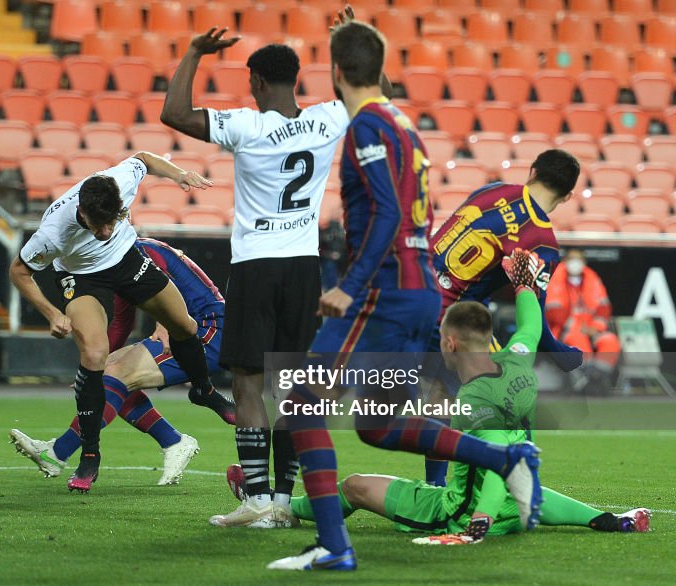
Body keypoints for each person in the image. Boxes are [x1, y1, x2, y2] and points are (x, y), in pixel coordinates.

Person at [269, 20, 543, 572]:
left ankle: (334, 547)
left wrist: (350, 286)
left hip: (384, 291)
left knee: (300, 403)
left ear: (336, 71)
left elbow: (389, 214)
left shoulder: (366, 129)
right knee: (377, 425)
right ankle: (505, 457)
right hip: (420, 291)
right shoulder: (401, 125)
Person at [233, 249, 651, 539]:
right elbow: (528, 327)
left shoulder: (473, 403)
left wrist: (481, 519)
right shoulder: (517, 360)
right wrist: (525, 286)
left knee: (354, 487)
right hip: (517, 509)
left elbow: (501, 463)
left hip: (461, 512)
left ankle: (278, 507)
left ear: (448, 344)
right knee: (514, 482)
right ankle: (606, 520)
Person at [160, 26, 353, 528]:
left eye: (251, 81)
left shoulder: (247, 126)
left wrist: (195, 51)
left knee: (248, 384)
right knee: (291, 387)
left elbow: (174, 114)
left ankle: (257, 500)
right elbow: (378, 96)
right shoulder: (329, 119)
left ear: (260, 81)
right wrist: (350, 42)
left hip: (256, 266)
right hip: (304, 268)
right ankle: (284, 504)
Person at [8, 153, 232, 493]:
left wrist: (178, 174)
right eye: (99, 226)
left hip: (127, 262)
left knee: (185, 327)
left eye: (113, 221)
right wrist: (52, 313)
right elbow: (19, 271)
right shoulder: (54, 232)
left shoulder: (120, 181)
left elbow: (143, 157)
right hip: (82, 278)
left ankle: (204, 391)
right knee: (96, 357)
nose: (107, 230)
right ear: (82, 213)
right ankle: (90, 455)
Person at [423, 148, 584, 486]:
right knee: (511, 393)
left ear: (533, 170)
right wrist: (561, 353)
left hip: (413, 295)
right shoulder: (542, 242)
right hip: (451, 318)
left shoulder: (491, 191)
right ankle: (521, 490)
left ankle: (434, 488)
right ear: (568, 196)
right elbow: (532, 316)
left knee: (440, 397)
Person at [546, 248, 621, 393]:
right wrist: (577, 327)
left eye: (579, 259)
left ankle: (596, 378)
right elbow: (553, 313)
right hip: (564, 330)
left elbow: (603, 309)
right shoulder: (556, 278)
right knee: (578, 339)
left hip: (591, 329)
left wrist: (595, 328)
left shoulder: (592, 279)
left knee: (610, 340)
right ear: (565, 261)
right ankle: (584, 382)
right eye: (572, 259)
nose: (576, 263)